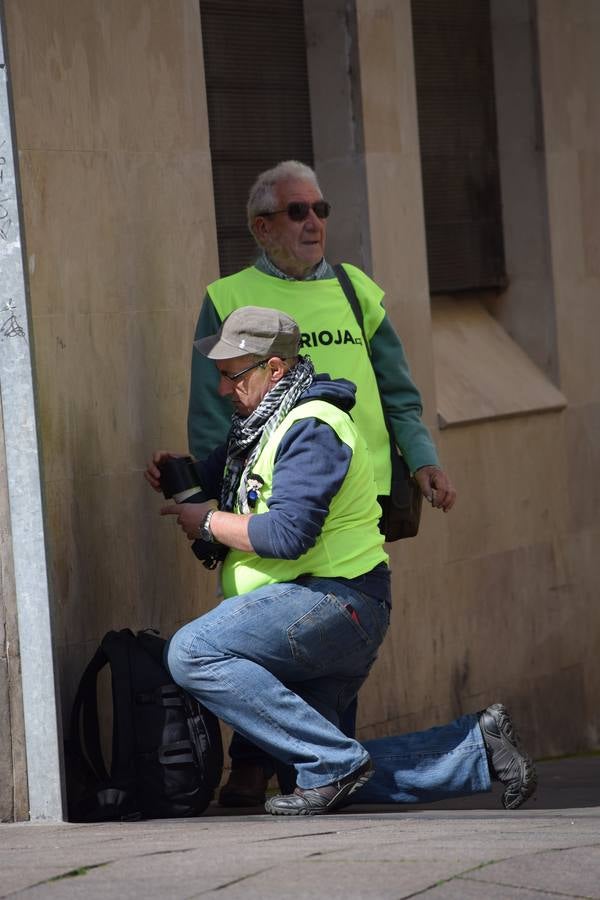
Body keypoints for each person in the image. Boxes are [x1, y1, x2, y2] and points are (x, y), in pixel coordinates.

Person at [146, 307, 536, 815]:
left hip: (332, 605)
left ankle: (332, 763)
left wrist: (207, 522)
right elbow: (226, 477)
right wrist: (182, 472)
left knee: (192, 652)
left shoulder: (313, 427)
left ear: (276, 369)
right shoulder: (259, 426)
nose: (223, 390)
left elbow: (289, 533)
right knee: (313, 773)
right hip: (312, 612)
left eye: (232, 375)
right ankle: (479, 749)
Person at [187, 160, 457, 805]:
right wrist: (213, 496)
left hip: (356, 491)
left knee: (307, 620)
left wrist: (421, 461)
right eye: (297, 212)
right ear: (261, 227)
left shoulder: (357, 289)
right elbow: (209, 412)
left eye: (321, 210)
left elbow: (398, 389)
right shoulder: (228, 297)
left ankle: (299, 763)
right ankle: (275, 764)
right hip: (273, 486)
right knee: (276, 614)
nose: (314, 224)